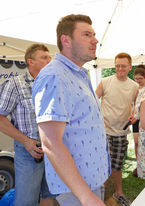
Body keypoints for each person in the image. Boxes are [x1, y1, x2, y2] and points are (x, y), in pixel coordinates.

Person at [32, 14, 110, 206]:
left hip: (91, 180)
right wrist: (85, 196)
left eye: (94, 34)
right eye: (86, 35)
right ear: (66, 40)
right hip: (78, 189)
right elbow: (50, 142)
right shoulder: (54, 76)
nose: (95, 40)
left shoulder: (77, 74)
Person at [0, 44, 55, 206]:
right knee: (26, 201)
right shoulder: (15, 84)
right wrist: (26, 141)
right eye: (44, 57)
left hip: (53, 150)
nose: (49, 60)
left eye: (49, 57)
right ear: (30, 61)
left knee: (49, 194)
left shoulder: (52, 83)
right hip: (29, 151)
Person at [95, 52, 138, 206]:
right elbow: (93, 102)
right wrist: (99, 120)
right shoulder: (105, 82)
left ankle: (118, 193)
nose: (120, 68)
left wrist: (134, 116)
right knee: (103, 164)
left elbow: (136, 107)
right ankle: (98, 196)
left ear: (129, 67)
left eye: (123, 66)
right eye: (117, 65)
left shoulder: (134, 86)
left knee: (117, 165)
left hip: (121, 132)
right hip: (103, 132)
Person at [132, 64, 145, 177]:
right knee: (136, 142)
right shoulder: (134, 87)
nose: (138, 81)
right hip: (135, 117)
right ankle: (139, 164)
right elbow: (131, 103)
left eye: (140, 79)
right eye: (136, 79)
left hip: (144, 117)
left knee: (144, 141)